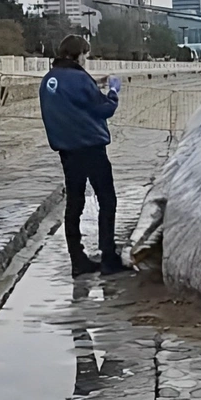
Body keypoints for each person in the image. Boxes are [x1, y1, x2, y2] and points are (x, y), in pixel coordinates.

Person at [39, 34, 130, 277]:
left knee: (74, 204)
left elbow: (73, 100)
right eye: (86, 55)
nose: (86, 59)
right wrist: (112, 91)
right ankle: (109, 257)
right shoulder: (80, 78)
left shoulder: (49, 79)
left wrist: (93, 85)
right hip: (91, 147)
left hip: (67, 151)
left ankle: (77, 260)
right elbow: (104, 109)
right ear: (79, 54)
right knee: (107, 200)